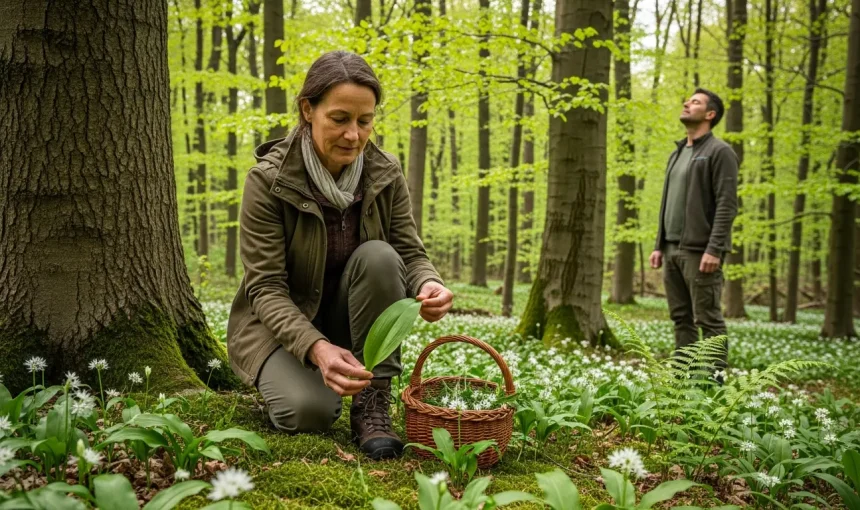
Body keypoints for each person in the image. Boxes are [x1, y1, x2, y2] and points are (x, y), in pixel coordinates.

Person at [226, 51, 454, 460]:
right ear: (308, 109)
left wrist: (429, 283)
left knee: (381, 256)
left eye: (364, 121)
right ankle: (303, 377)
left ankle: (373, 404)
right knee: (309, 411)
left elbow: (409, 251)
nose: (353, 135)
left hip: (349, 317)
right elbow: (265, 288)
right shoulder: (269, 181)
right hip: (281, 327)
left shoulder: (384, 173)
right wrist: (317, 347)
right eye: (339, 119)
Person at [649, 88, 739, 373]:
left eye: (695, 102)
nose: (687, 103)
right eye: (687, 100)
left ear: (710, 115)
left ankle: (713, 385)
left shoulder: (719, 152)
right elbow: (668, 202)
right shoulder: (677, 153)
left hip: (700, 252)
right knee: (681, 318)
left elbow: (727, 204)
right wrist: (658, 244)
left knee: (708, 320)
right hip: (672, 250)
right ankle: (682, 381)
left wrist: (715, 248)